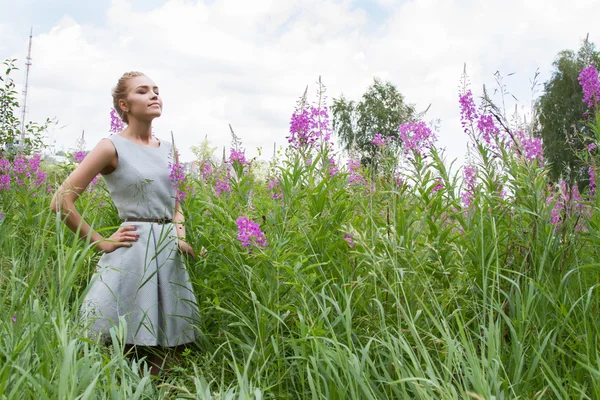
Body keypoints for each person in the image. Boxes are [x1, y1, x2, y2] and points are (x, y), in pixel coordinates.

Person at [50, 71, 198, 376]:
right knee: (119, 341)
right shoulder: (110, 147)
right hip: (133, 249)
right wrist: (101, 242)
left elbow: (176, 204)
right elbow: (61, 201)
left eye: (156, 90)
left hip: (167, 252)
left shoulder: (169, 149)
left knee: (170, 347)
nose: (154, 95)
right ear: (124, 104)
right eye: (142, 91)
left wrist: (179, 236)